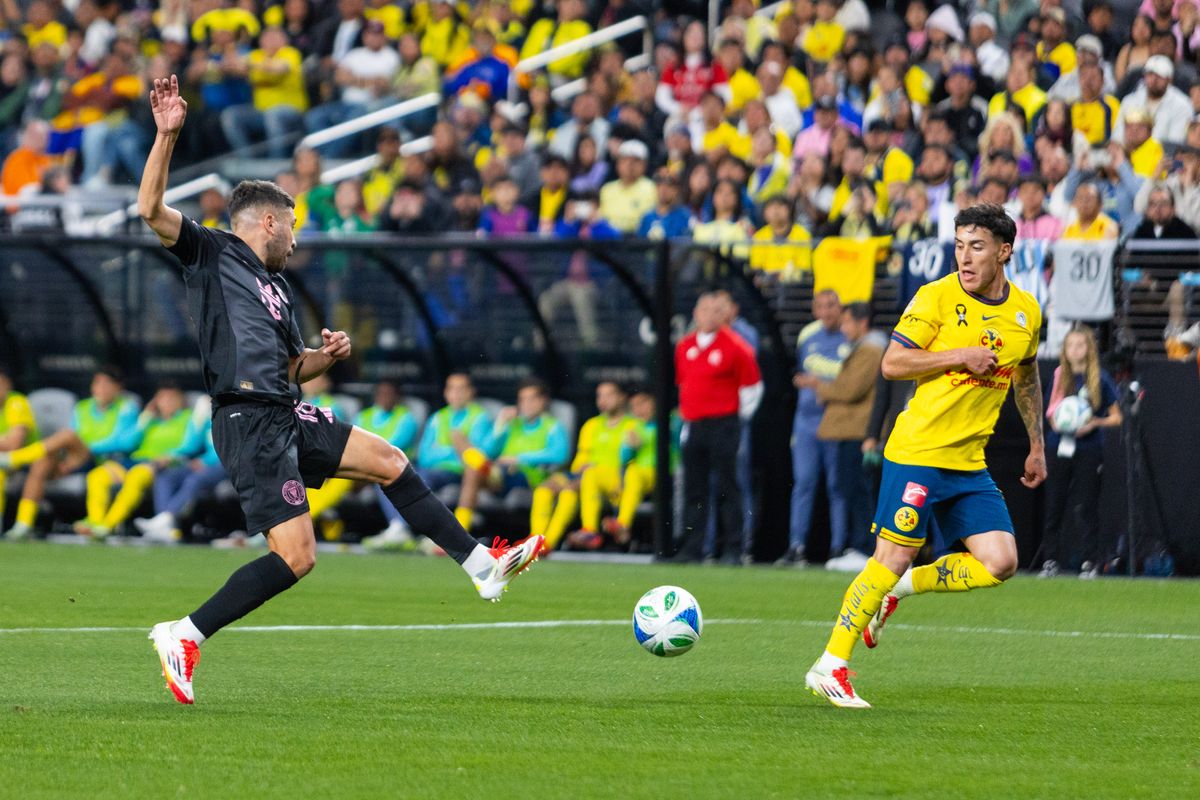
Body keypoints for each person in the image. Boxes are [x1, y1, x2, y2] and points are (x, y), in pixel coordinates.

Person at [136, 76, 543, 705]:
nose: (297, 238)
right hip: (249, 420)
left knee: (391, 461)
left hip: (284, 405)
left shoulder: (278, 288)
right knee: (297, 557)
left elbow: (293, 368)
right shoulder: (210, 252)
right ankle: (184, 632)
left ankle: (481, 566)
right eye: (293, 225)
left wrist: (323, 357)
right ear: (267, 221)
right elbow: (150, 210)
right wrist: (166, 136)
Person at [805, 205, 1046, 708]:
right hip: (918, 450)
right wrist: (958, 355)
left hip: (967, 461)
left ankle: (900, 591)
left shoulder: (1026, 311)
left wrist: (1037, 445)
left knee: (1000, 563)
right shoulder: (935, 297)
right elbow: (892, 363)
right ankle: (831, 665)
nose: (965, 256)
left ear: (1004, 251)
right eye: (959, 245)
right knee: (890, 556)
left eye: (976, 246)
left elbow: (1026, 374)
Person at [670, 290, 762, 563]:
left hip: (724, 424)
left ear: (724, 316)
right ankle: (692, 548)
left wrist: (733, 417)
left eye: (715, 311)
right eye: (704, 310)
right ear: (696, 314)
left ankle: (733, 548)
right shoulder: (685, 346)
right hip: (695, 424)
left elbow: (752, 388)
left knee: (727, 487)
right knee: (694, 488)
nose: (709, 316)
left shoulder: (736, 346)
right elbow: (684, 384)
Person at [795, 303, 886, 570]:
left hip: (858, 431)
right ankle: (860, 546)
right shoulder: (867, 348)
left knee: (857, 490)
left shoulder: (871, 349)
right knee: (852, 488)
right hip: (854, 430)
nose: (843, 329)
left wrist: (818, 385)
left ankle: (864, 548)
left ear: (862, 322)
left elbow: (850, 389)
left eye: (847, 323)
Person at [1, 366, 140, 540]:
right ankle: (24, 523)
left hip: (99, 459)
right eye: (98, 383)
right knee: (44, 461)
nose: (101, 388)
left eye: (107, 384)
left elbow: (125, 441)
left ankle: (14, 458)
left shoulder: (127, 407)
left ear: (118, 387)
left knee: (67, 436)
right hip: (75, 459)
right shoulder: (83, 407)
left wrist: (90, 445)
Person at [362, 373, 491, 551]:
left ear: (471, 392)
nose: (456, 393)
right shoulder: (438, 417)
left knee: (418, 478)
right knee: (387, 474)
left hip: (458, 472)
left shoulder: (479, 417)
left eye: (461, 389)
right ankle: (398, 527)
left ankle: (404, 529)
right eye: (452, 388)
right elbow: (424, 455)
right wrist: (449, 452)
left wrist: (442, 452)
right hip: (431, 470)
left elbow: (478, 455)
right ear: (446, 393)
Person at [1040, 326, 1122, 579]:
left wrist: (1094, 423)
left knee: (1086, 505)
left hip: (1089, 449)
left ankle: (1089, 562)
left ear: (1089, 349)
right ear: (1064, 350)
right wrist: (1058, 424)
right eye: (1070, 345)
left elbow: (1117, 417)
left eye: (1080, 345)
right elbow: (1050, 411)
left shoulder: (1100, 378)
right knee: (1054, 503)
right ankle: (1050, 560)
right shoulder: (1059, 375)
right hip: (1059, 447)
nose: (1075, 350)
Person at [455, 378, 569, 542]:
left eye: (532, 399)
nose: (527, 404)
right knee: (468, 461)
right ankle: (460, 534)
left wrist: (519, 459)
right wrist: (500, 424)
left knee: (473, 468)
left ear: (543, 401)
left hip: (526, 476)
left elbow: (560, 454)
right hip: (500, 474)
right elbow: (488, 450)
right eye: (522, 400)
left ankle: (458, 535)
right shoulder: (513, 424)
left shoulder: (551, 426)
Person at [780, 290, 848, 566]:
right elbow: (800, 373)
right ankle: (796, 546)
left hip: (836, 420)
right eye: (821, 306)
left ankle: (839, 548)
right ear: (814, 309)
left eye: (832, 305)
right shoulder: (808, 335)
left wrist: (818, 385)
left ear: (840, 308)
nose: (827, 311)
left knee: (837, 486)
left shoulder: (850, 337)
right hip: (806, 421)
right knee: (804, 483)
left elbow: (850, 379)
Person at [75, 384, 192, 540]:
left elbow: (192, 445)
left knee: (135, 477)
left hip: (159, 465)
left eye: (171, 399)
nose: (166, 403)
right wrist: (145, 418)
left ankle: (107, 526)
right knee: (97, 476)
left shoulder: (188, 418)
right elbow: (129, 442)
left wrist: (171, 456)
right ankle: (96, 522)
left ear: (181, 401)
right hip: (132, 461)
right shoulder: (150, 421)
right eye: (161, 399)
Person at [134, 397, 228, 544]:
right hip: (204, 462)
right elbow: (191, 444)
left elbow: (230, 448)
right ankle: (165, 527)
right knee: (166, 476)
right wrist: (171, 456)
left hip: (227, 464)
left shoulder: (232, 406)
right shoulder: (204, 405)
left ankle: (165, 519)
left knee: (195, 479)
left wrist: (205, 461)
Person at [557, 381, 637, 551]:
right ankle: (546, 544)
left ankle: (591, 530)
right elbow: (579, 460)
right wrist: (580, 467)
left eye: (609, 395)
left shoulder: (633, 425)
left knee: (591, 475)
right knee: (567, 491)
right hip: (591, 482)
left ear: (622, 397)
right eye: (600, 395)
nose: (603, 400)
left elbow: (632, 460)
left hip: (619, 480)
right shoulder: (591, 425)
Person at [0, 367, 38, 524]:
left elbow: (15, 444)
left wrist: (6, 442)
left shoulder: (17, 403)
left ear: (7, 384)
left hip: (25, 461)